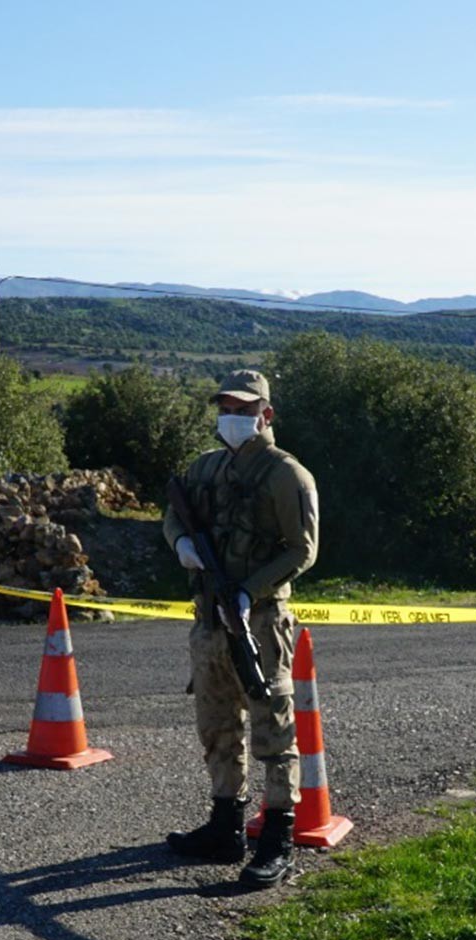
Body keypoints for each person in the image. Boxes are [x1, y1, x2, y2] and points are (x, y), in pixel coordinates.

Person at [163, 369, 319, 887]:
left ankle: (277, 838)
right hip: (208, 617)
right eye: (226, 407)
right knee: (216, 722)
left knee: (273, 728)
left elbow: (302, 548)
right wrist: (182, 546)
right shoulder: (204, 469)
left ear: (265, 415)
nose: (232, 417)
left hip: (262, 618)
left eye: (243, 409)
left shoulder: (286, 475)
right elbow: (174, 514)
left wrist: (251, 589)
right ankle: (225, 825)